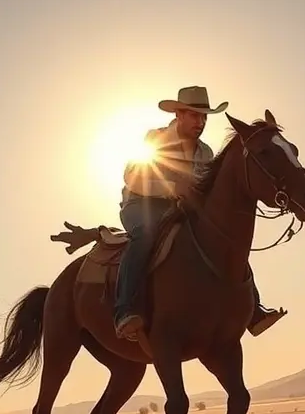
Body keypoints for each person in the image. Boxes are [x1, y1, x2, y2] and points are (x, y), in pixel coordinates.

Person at [112, 85, 286, 341]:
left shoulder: (205, 152)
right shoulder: (156, 139)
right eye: (195, 115)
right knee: (146, 235)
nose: (201, 122)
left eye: (204, 116)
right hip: (141, 203)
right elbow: (132, 178)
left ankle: (254, 309)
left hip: (180, 206)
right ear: (179, 115)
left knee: (222, 235)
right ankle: (125, 309)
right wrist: (172, 188)